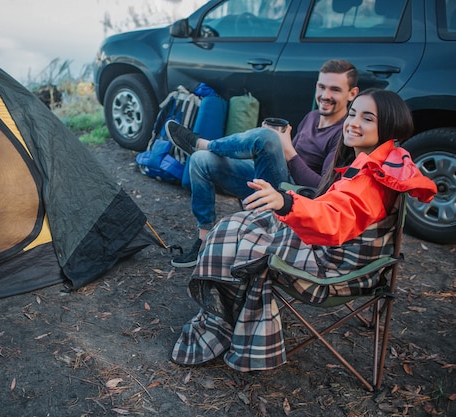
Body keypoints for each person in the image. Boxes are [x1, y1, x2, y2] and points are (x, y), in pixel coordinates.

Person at [170, 88, 437, 371]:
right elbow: (332, 202)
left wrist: (286, 201)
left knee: (237, 232)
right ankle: (222, 311)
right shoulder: (375, 160)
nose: (354, 122)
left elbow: (334, 217)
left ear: (388, 126)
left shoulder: (369, 177)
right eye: (354, 113)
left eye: (367, 118)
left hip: (331, 268)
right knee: (238, 225)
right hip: (322, 228)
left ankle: (220, 319)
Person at [167, 59, 360, 267]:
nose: (325, 95)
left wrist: (286, 150)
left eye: (335, 90)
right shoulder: (313, 116)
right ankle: (204, 241)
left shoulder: (344, 136)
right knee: (200, 160)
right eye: (322, 87)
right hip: (276, 180)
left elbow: (323, 189)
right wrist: (270, 151)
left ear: (352, 94)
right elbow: (286, 160)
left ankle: (203, 143)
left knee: (268, 138)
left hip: (293, 198)